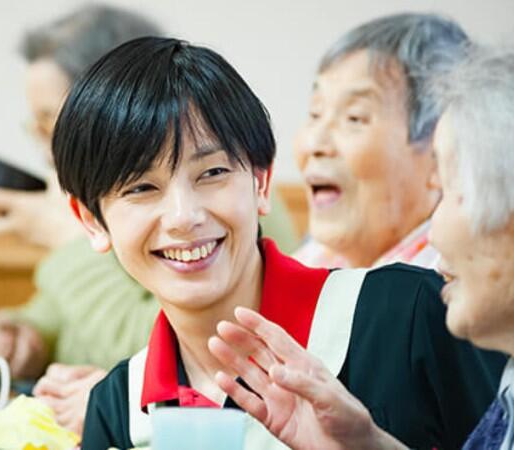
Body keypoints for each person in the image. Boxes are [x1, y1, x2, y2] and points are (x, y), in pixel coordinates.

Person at [50, 37, 505, 450]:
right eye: (141, 189)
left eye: (212, 173)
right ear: (92, 221)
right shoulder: (117, 407)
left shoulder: (406, 314)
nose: (184, 217)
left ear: (261, 182)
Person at [0, 4, 298, 436]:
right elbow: (70, 309)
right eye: (36, 125)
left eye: (50, 120)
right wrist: (26, 331)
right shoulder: (111, 203)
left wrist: (68, 241)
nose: (45, 145)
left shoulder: (229, 209)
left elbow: (179, 337)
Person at [210, 44, 514, 450]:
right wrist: (367, 443)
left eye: (449, 186)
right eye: (315, 113)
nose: (314, 142)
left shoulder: (414, 300)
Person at [292, 13, 468, 269]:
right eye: (315, 113)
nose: (313, 144)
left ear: (439, 154)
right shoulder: (313, 260)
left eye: (354, 117)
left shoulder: (445, 287)